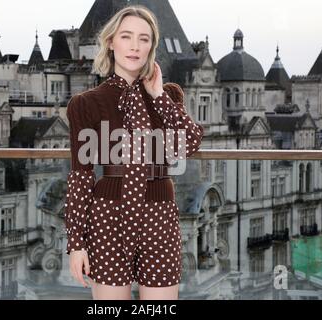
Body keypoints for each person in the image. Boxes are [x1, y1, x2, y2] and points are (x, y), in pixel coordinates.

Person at [64, 5, 203, 300]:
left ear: (152, 46)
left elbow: (189, 144)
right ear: (111, 42)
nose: (135, 46)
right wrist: (76, 243)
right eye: (127, 37)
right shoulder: (86, 103)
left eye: (144, 38)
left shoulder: (169, 95)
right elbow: (80, 176)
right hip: (107, 214)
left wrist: (157, 95)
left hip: (159, 213)